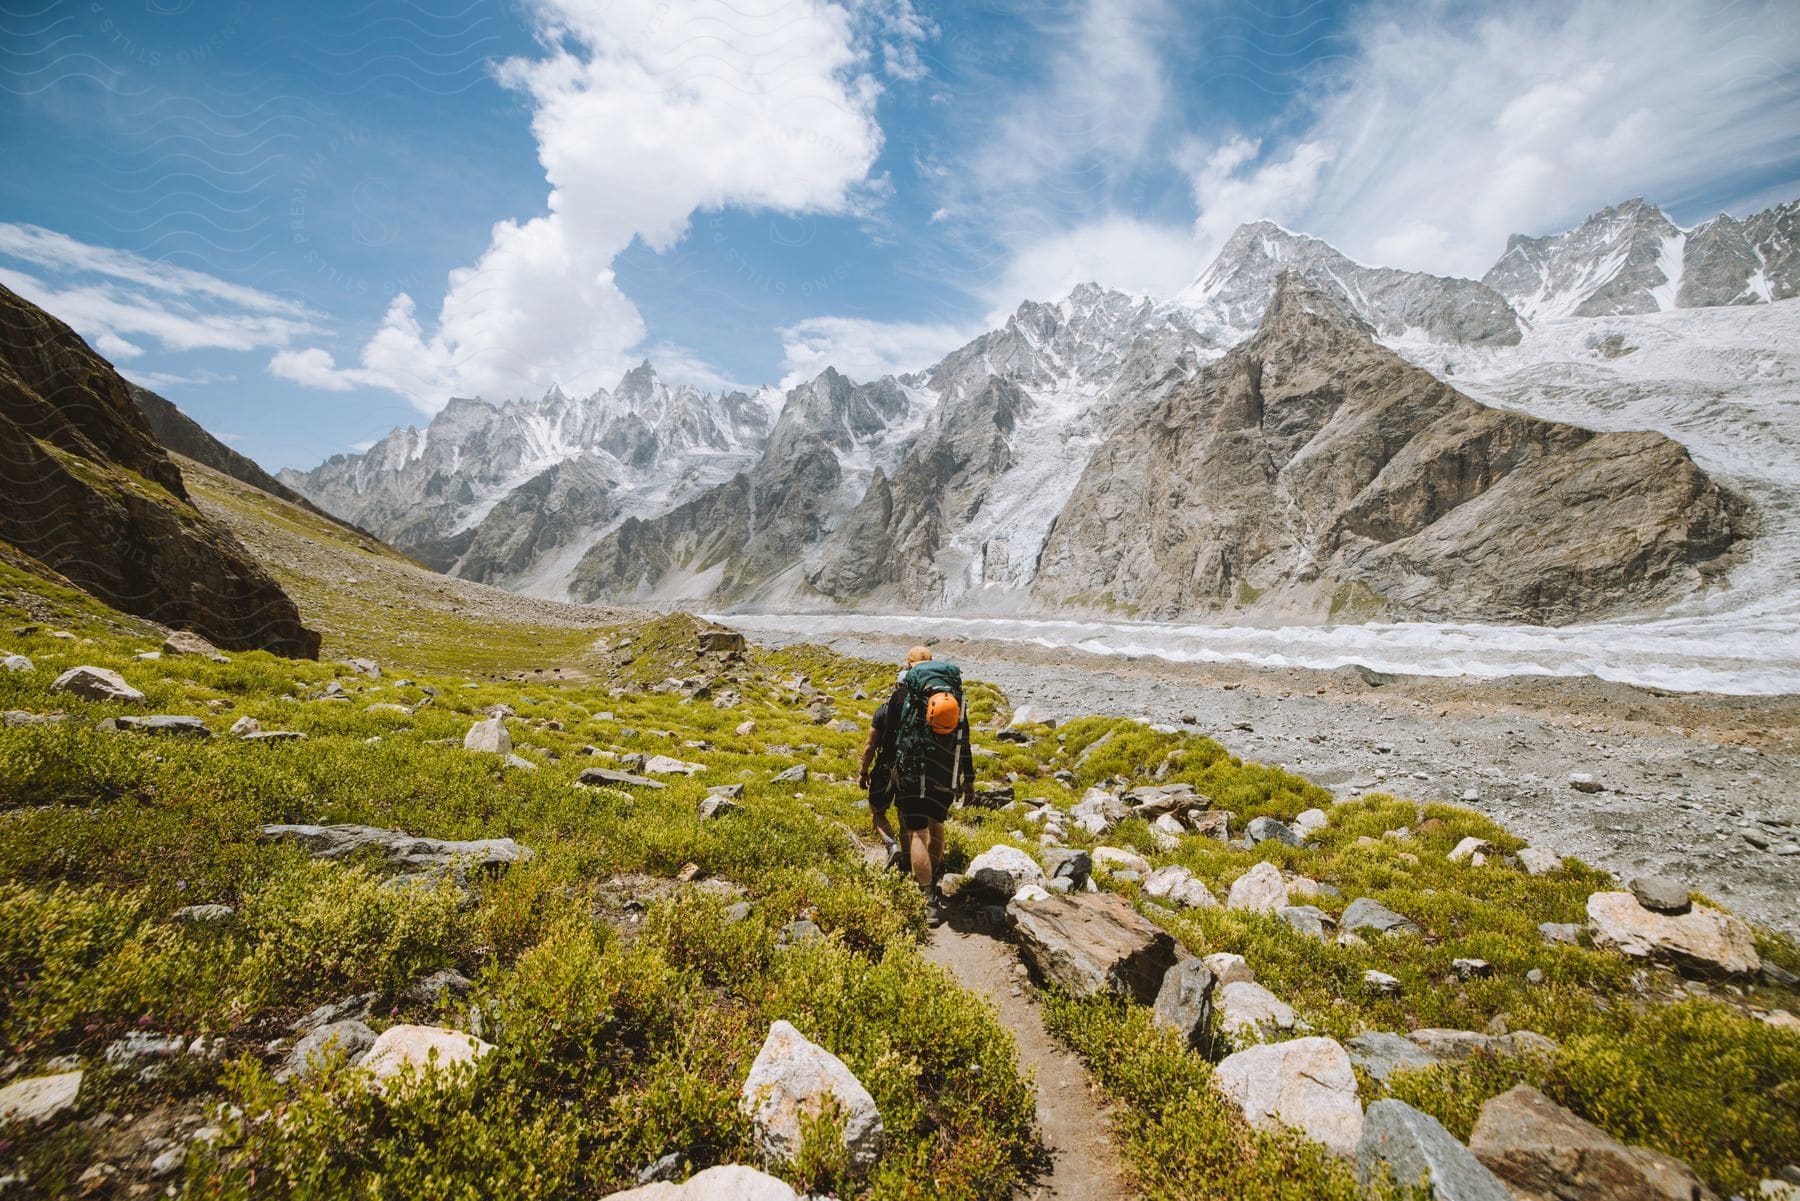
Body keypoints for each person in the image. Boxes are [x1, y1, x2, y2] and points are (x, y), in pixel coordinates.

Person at [888, 645, 974, 924]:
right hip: (946, 774)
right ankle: (934, 875)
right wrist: (968, 779)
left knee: (916, 833)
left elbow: (891, 738)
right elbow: (965, 743)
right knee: (937, 824)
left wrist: (892, 769)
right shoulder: (957, 698)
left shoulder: (903, 695)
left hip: (914, 774)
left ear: (909, 666)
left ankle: (927, 898)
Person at [857, 690, 903, 870]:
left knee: (877, 811)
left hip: (885, 766)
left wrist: (863, 772)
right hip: (911, 769)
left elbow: (870, 746)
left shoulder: (884, 710)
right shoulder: (921, 709)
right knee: (905, 814)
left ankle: (891, 845)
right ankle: (908, 860)